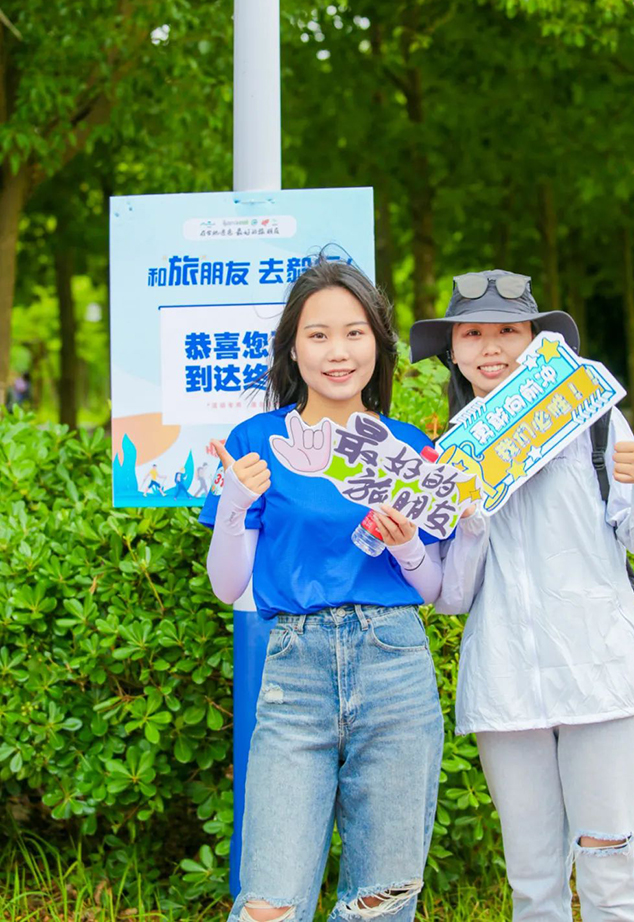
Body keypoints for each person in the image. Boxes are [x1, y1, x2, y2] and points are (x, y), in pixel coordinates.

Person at [410, 269, 634, 922]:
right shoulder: (446, 457)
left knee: (611, 876)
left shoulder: (593, 420)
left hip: (604, 682)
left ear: (537, 341)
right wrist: (471, 523)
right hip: (506, 692)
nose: (491, 347)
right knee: (533, 886)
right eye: (472, 334)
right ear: (452, 352)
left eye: (509, 330)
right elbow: (452, 596)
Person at [200, 260, 445, 922]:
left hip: (395, 668)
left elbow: (431, 587)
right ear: (292, 348)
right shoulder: (256, 442)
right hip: (294, 674)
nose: (338, 352)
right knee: (268, 905)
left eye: (355, 333)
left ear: (378, 345)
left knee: (380, 900)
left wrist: (406, 545)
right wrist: (234, 502)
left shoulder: (410, 449)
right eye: (318, 335)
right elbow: (228, 584)